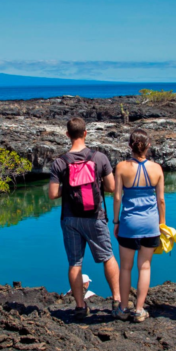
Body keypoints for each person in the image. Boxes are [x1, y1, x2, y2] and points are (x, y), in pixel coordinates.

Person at [49, 117, 121, 319]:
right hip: (95, 217)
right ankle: (117, 301)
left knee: (75, 263)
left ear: (67, 135)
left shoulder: (59, 162)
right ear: (85, 133)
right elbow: (111, 187)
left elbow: (53, 194)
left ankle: (80, 307)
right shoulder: (100, 158)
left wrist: (70, 186)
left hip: (70, 219)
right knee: (108, 257)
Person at [112, 129, 165, 323]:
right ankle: (139, 310)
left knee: (125, 268)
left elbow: (117, 197)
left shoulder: (121, 167)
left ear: (130, 145)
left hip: (128, 224)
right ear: (148, 145)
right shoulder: (157, 169)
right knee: (145, 267)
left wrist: (116, 221)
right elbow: (161, 200)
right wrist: (162, 224)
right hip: (151, 225)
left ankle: (123, 308)